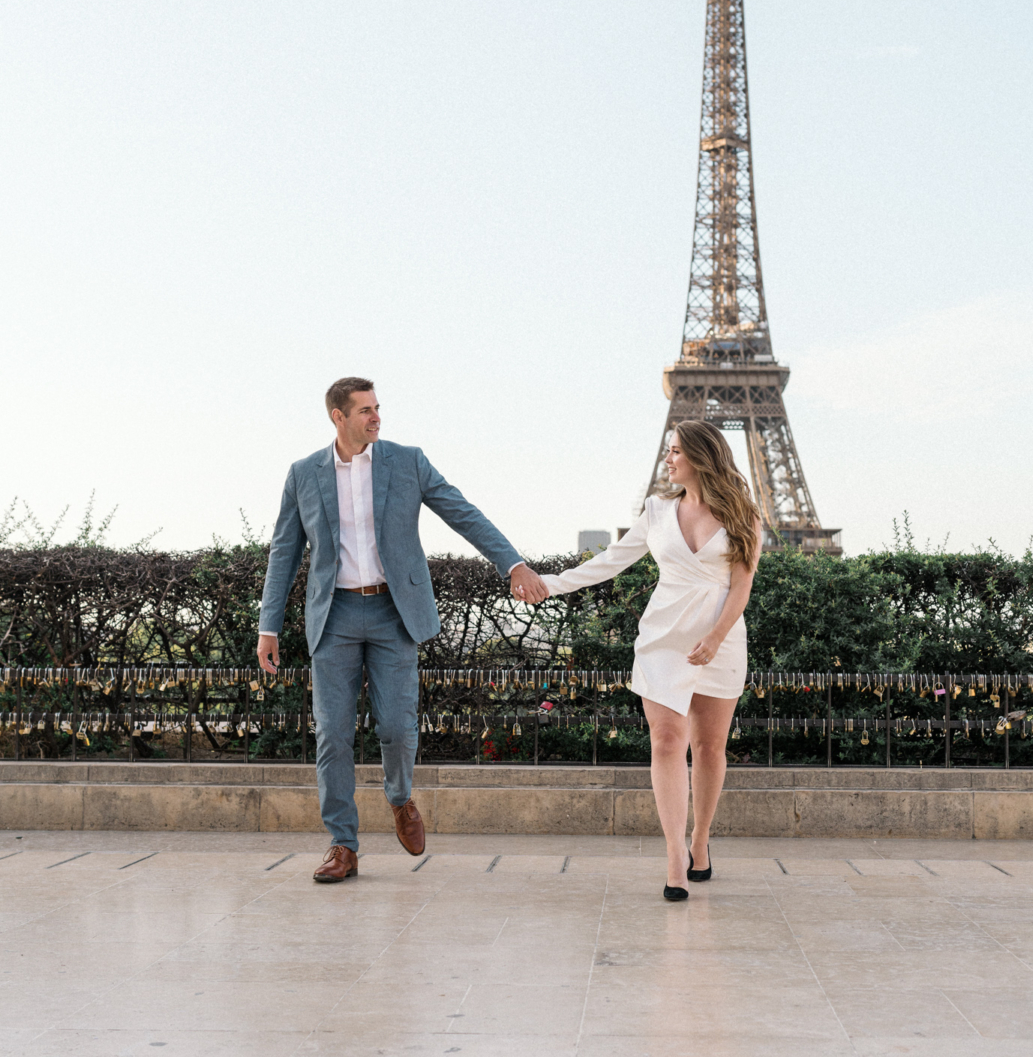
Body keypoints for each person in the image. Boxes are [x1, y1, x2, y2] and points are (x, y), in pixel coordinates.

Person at [257, 377, 548, 883]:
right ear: (338, 416)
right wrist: (269, 626)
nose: (376, 418)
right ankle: (342, 845)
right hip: (335, 617)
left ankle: (399, 797)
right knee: (332, 736)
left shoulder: (406, 460)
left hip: (395, 613)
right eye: (365, 410)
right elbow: (284, 551)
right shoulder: (304, 474)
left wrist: (513, 564)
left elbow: (463, 513)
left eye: (377, 408)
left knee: (394, 727)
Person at [520, 419, 760, 900]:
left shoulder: (743, 514)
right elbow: (607, 562)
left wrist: (715, 637)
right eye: (668, 450)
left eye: (675, 452)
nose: (667, 459)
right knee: (667, 741)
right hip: (664, 637)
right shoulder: (655, 511)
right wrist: (550, 584)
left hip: (720, 640)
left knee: (710, 748)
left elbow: (742, 586)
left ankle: (700, 838)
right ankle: (674, 853)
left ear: (700, 456)